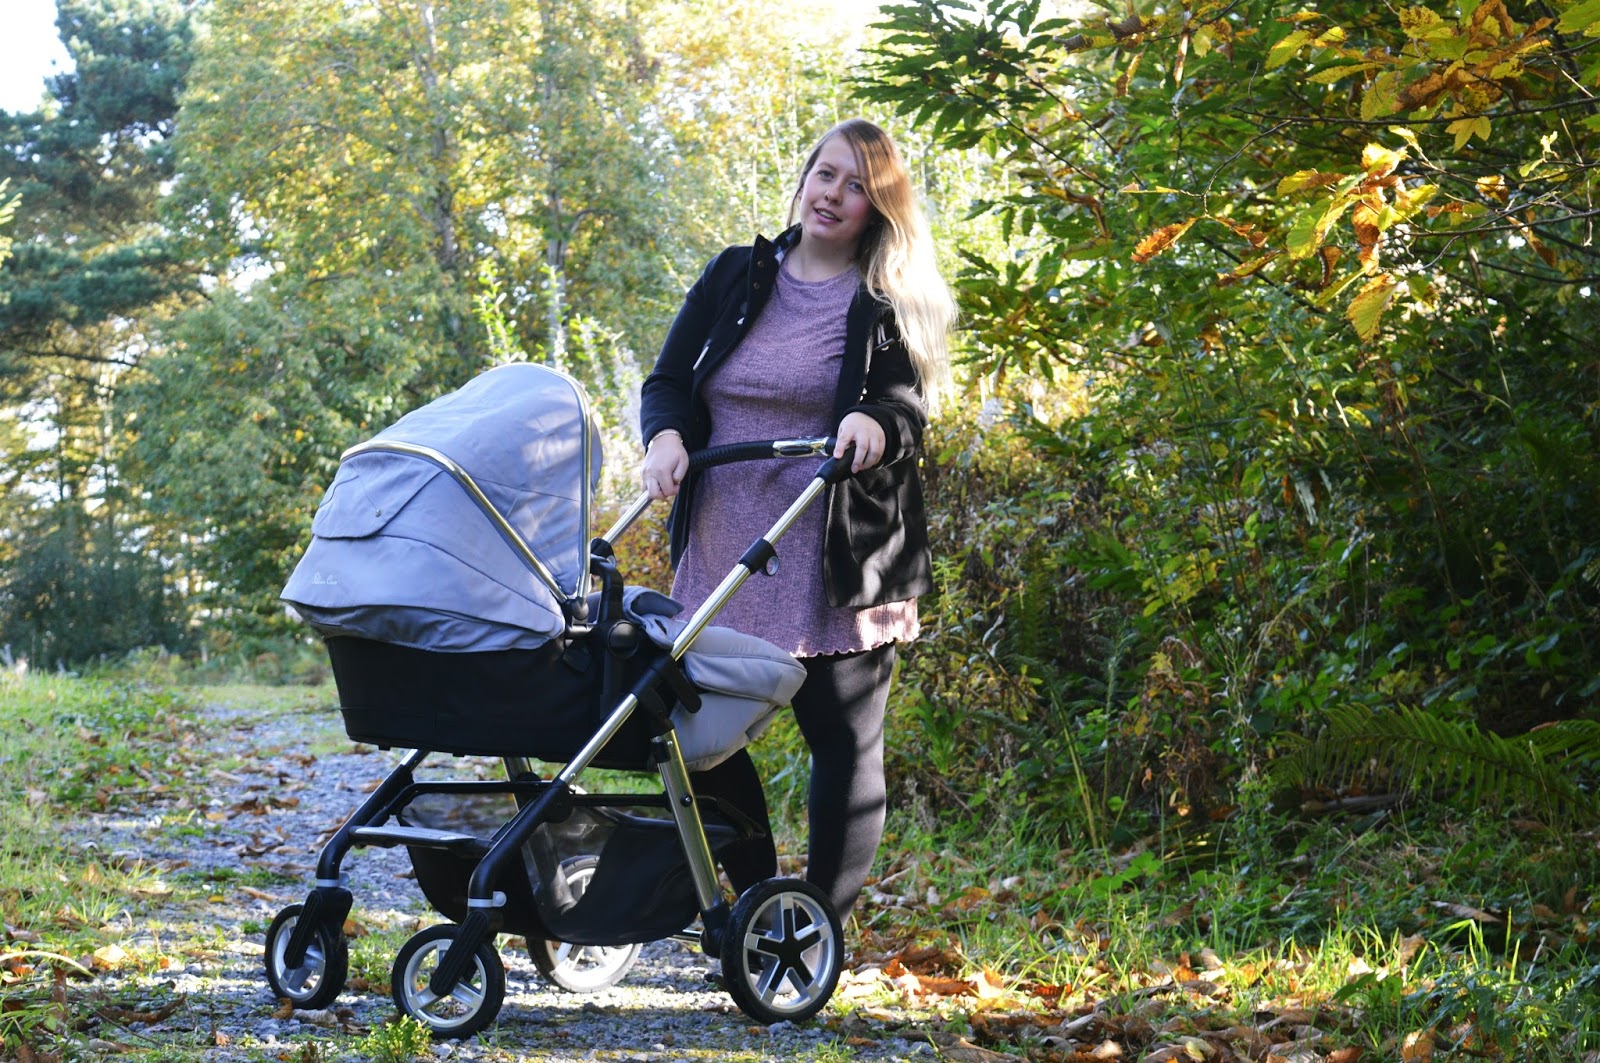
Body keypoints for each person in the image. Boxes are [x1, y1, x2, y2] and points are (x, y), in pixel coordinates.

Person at [638, 117, 956, 921]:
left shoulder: (886, 301)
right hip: (727, 542)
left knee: (843, 746)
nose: (835, 195)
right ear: (804, 178)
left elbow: (905, 406)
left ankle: (817, 927)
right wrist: (665, 435)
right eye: (827, 174)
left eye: (858, 187)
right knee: (694, 736)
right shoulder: (737, 275)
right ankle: (758, 911)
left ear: (877, 209)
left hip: (833, 547)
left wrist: (874, 426)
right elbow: (668, 380)